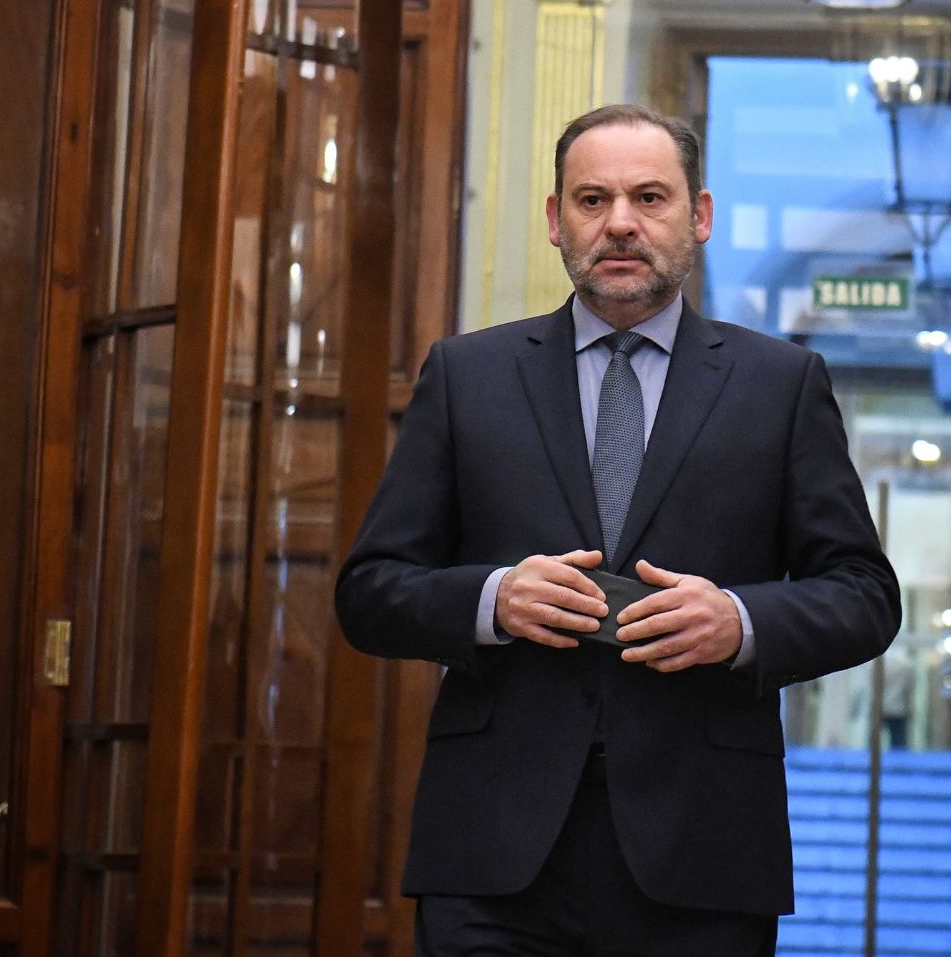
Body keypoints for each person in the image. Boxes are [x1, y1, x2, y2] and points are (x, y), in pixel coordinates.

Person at [335, 103, 901, 956]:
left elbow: (865, 595)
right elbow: (369, 590)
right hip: (493, 854)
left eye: (650, 197)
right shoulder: (467, 375)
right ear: (556, 220)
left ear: (699, 216)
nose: (621, 224)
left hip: (702, 853)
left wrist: (740, 623)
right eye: (593, 200)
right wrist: (492, 598)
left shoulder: (780, 384)